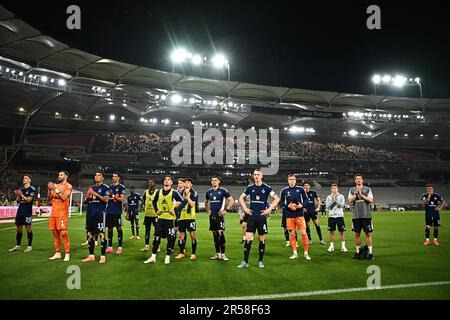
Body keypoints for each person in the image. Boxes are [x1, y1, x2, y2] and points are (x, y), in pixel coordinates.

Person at [237, 169, 280, 268]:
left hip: (261, 218)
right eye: (255, 174)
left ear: (262, 176)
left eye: (258, 174)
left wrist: (269, 209)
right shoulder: (250, 187)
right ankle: (245, 262)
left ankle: (260, 261)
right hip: (251, 217)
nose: (256, 176)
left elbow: (277, 199)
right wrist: (245, 208)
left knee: (262, 239)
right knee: (248, 239)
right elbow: (241, 198)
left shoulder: (267, 188)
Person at [144, 176, 182, 264]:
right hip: (160, 219)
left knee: (170, 238)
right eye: (165, 179)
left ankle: (167, 256)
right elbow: (154, 201)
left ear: (171, 182)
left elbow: (182, 201)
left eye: (168, 180)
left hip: (170, 219)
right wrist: (156, 210)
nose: (166, 181)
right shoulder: (159, 192)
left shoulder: (174, 192)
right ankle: (153, 257)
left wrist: (174, 208)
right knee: (156, 238)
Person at [279, 174, 310, 260]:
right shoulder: (284, 191)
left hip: (299, 214)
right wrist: (287, 205)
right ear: (288, 181)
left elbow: (307, 200)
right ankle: (295, 253)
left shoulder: (300, 189)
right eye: (290, 179)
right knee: (292, 234)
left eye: (293, 179)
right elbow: (281, 202)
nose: (292, 181)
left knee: (304, 234)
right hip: (289, 215)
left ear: (295, 181)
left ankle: (306, 253)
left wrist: (302, 206)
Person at [81, 171, 110, 264]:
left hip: (100, 213)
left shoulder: (106, 188)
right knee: (89, 234)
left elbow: (106, 200)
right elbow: (86, 201)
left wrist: (94, 193)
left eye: (99, 175)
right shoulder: (91, 187)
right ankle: (91, 255)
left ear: (102, 178)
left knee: (101, 234)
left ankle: (102, 256)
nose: (96, 177)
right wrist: (87, 197)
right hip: (90, 213)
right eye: (95, 175)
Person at [205, 175, 234, 261]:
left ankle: (223, 254)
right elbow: (206, 202)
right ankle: (217, 254)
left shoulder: (223, 190)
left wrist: (226, 210)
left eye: (215, 180)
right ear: (211, 182)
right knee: (215, 235)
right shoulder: (209, 192)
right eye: (212, 180)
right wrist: (207, 211)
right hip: (212, 216)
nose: (214, 181)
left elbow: (231, 200)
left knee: (221, 234)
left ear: (219, 182)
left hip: (220, 216)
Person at [47, 171, 73, 261]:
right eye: (58, 175)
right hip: (54, 212)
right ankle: (57, 252)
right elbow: (49, 199)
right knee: (55, 233)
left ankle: (67, 253)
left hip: (62, 212)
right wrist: (50, 190)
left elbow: (64, 197)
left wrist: (55, 189)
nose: (59, 176)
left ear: (66, 176)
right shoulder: (56, 186)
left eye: (61, 175)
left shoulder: (68, 186)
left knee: (64, 233)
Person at [348, 174, 374, 260]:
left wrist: (361, 195)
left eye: (360, 179)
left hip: (366, 215)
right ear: (355, 181)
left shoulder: (367, 189)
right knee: (357, 234)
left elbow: (371, 200)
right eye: (357, 179)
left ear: (362, 180)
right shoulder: (352, 190)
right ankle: (358, 252)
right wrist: (356, 194)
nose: (358, 180)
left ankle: (370, 253)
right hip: (356, 216)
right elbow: (350, 200)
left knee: (368, 234)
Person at [9, 174, 36, 253]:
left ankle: (29, 246)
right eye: (24, 178)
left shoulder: (32, 189)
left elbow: (28, 200)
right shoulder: (21, 189)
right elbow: (18, 201)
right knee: (18, 229)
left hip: (27, 212)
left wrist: (20, 194)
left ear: (29, 180)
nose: (24, 179)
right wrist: (17, 195)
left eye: (26, 178)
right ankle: (18, 245)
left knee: (28, 229)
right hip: (20, 211)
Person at [175, 178, 199, 261]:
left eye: (188, 182)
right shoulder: (180, 193)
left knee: (192, 236)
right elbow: (177, 204)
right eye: (185, 182)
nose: (186, 183)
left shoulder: (194, 193)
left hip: (190, 217)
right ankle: (181, 253)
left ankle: (193, 254)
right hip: (181, 217)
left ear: (191, 184)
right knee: (181, 235)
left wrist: (187, 197)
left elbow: (192, 204)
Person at [106, 172, 125, 254]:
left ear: (118, 178)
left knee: (119, 228)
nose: (113, 178)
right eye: (112, 176)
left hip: (117, 211)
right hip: (109, 211)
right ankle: (110, 247)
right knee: (109, 228)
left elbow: (121, 199)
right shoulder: (109, 187)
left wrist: (113, 196)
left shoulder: (121, 187)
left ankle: (120, 247)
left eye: (115, 176)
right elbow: (106, 199)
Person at [325, 183, 348, 253]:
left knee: (342, 232)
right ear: (331, 189)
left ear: (337, 189)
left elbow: (342, 205)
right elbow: (327, 207)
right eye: (333, 188)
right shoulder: (328, 197)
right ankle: (331, 247)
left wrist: (336, 200)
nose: (334, 190)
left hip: (339, 216)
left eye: (335, 188)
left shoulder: (341, 196)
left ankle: (343, 247)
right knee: (331, 232)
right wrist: (332, 200)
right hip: (331, 216)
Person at [140, 179, 159, 252]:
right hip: (147, 214)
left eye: (152, 182)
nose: (150, 183)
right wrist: (141, 207)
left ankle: (157, 246)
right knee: (147, 231)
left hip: (155, 215)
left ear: (155, 183)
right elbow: (143, 201)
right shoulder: (146, 192)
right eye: (149, 182)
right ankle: (146, 246)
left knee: (157, 231)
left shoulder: (158, 192)